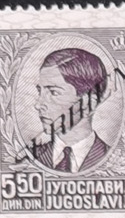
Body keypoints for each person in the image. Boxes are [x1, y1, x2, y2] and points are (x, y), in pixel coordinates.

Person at [30, 44, 114, 172]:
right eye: (39, 91)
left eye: (54, 92)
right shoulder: (30, 157)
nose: (38, 105)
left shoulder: (114, 158)